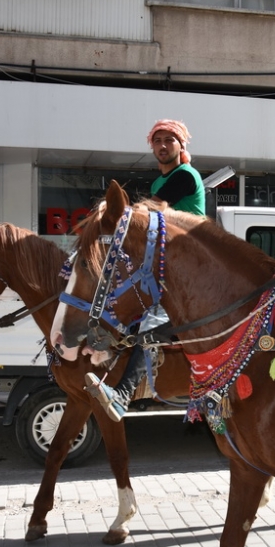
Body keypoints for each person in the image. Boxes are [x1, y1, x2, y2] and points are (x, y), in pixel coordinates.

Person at [87, 119, 206, 420]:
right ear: (152, 147)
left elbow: (151, 209)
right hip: (167, 261)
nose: (163, 145)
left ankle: (124, 394)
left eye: (170, 140)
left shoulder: (186, 176)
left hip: (189, 262)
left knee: (153, 322)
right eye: (158, 141)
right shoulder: (158, 182)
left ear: (182, 146)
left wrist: (111, 215)